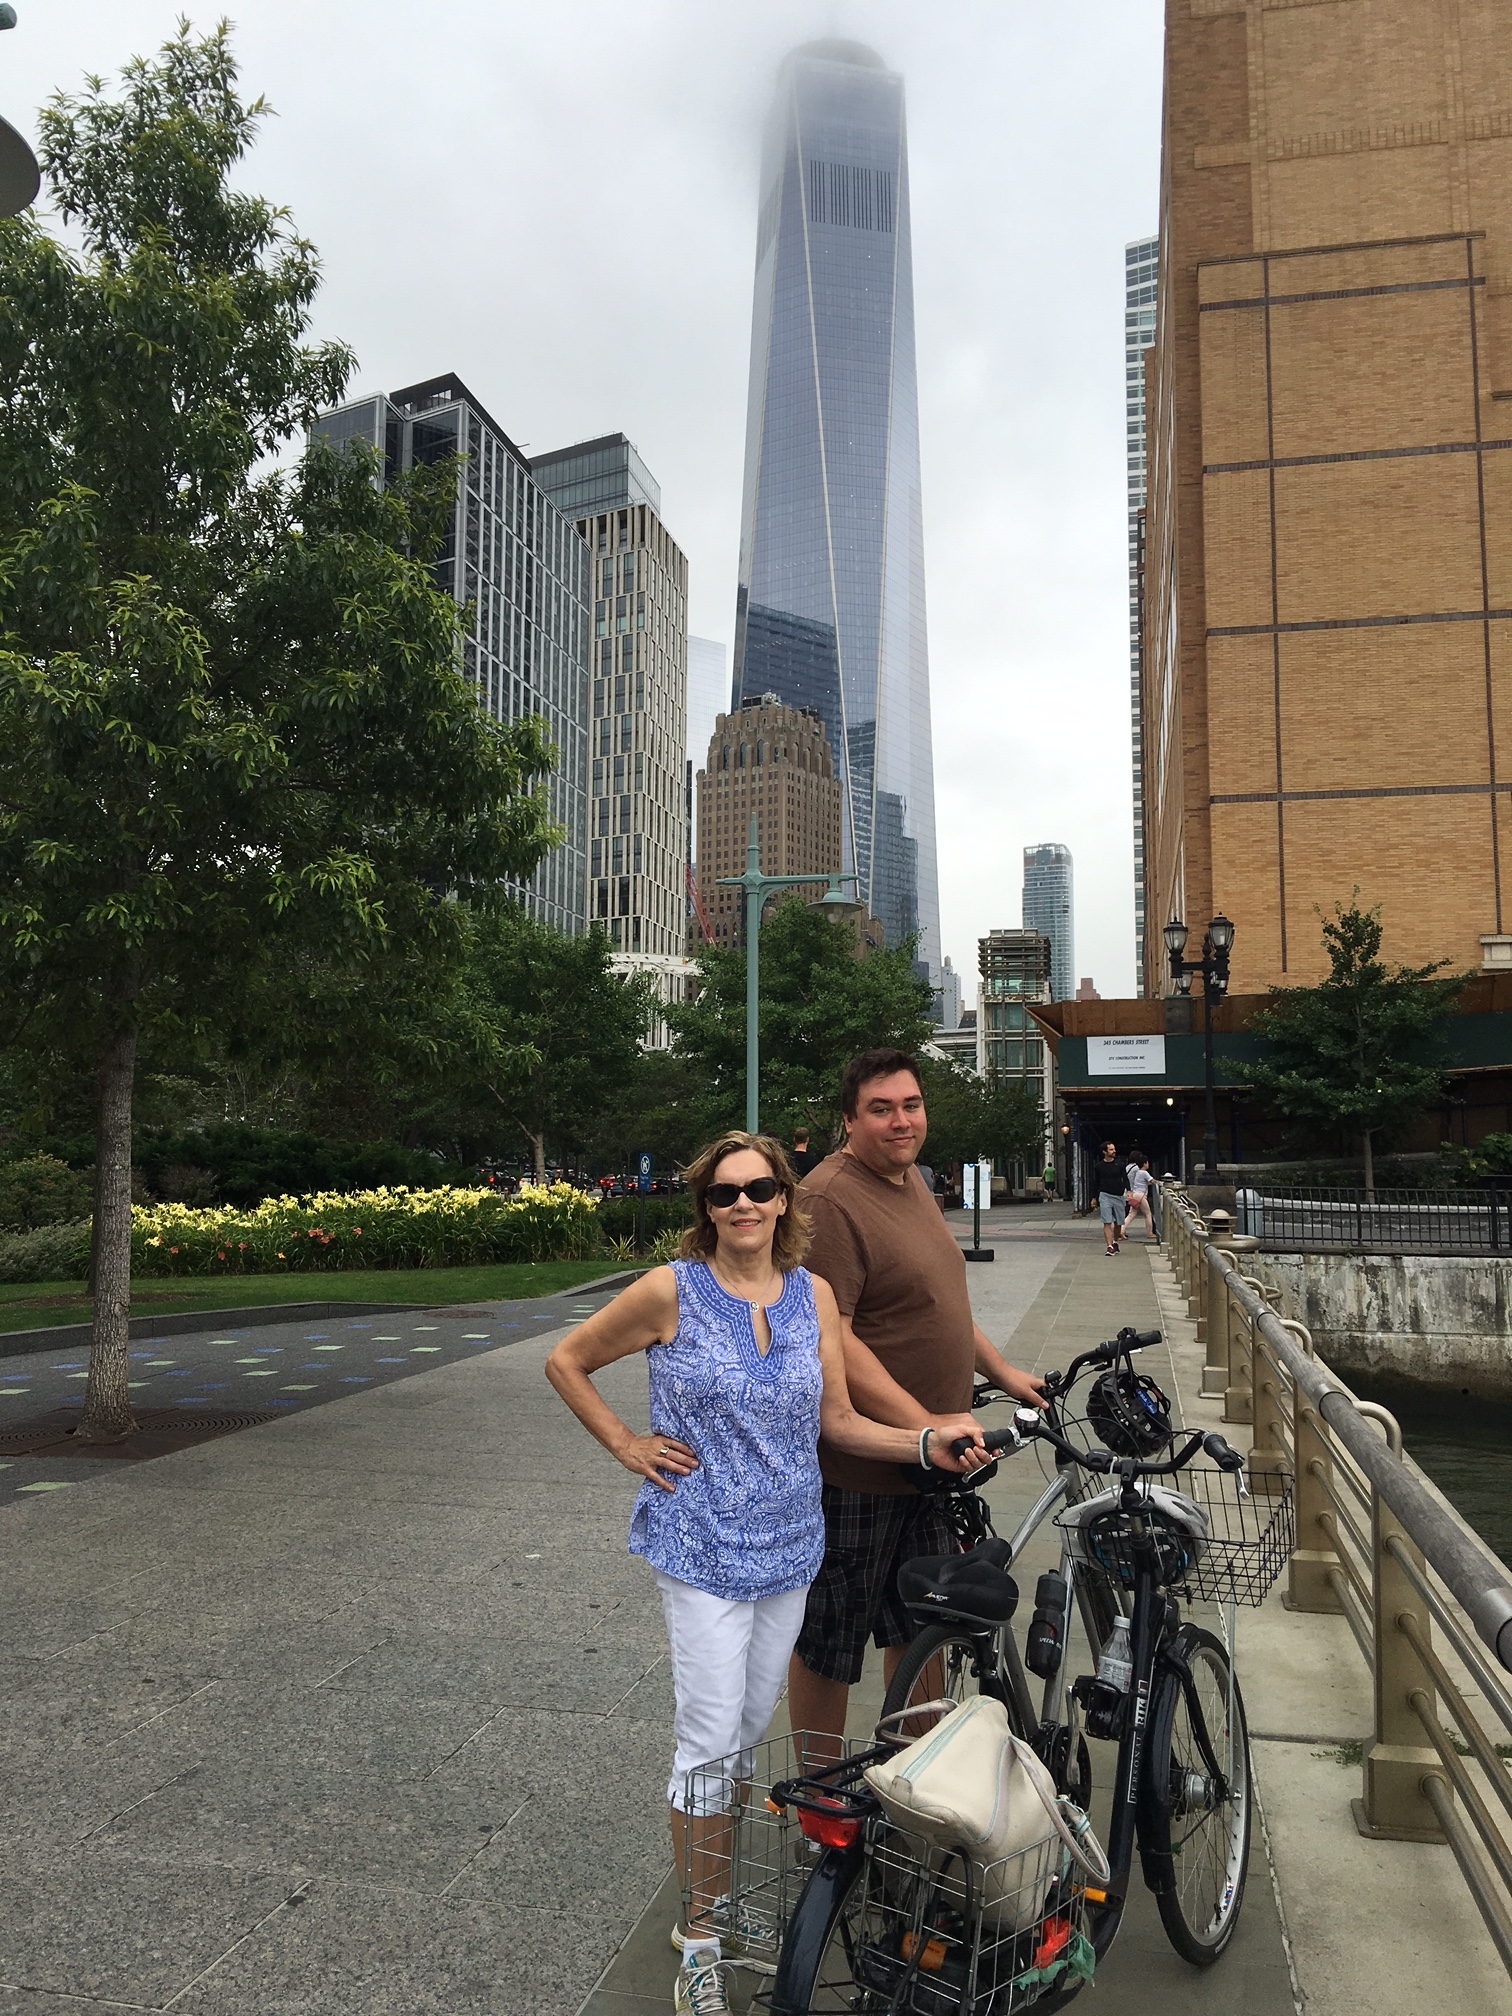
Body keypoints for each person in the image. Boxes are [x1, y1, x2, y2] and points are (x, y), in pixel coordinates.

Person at [545, 1128, 988, 2016]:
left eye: (757, 1189)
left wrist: (925, 1441)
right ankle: (702, 1937)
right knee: (708, 1742)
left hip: (792, 1548)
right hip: (701, 1546)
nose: (741, 1204)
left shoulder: (813, 1297)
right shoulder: (670, 1291)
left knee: (749, 1734)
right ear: (703, 1208)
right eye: (722, 1193)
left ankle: (719, 1894)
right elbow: (567, 1361)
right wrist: (627, 1444)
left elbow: (837, 1420)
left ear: (785, 1199)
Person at [788, 1049, 1048, 1760]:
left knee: (920, 1627)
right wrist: (921, 1425)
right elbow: (831, 1333)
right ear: (849, 1120)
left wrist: (1002, 1370)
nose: (901, 1120)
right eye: (881, 1108)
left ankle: (913, 1777)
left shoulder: (912, 1184)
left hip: (931, 1463)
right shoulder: (830, 1198)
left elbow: (939, 1304)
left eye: (911, 1104)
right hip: (861, 1465)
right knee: (830, 1640)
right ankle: (821, 1805)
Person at [1093, 1139, 1128, 1255]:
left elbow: (1125, 1178)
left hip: (1118, 1195)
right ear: (1104, 1152)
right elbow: (1096, 1182)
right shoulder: (1099, 1167)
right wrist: (1094, 1197)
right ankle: (1109, 1246)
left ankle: (1115, 1241)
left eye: (1114, 1149)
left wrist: (1129, 1191)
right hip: (1105, 1195)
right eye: (1111, 1149)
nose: (1114, 1151)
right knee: (1107, 1221)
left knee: (1118, 1222)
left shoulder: (1120, 1164)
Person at [1125, 1150, 1155, 1240]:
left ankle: (1121, 1229)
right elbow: (1152, 1181)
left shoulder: (1132, 1170)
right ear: (1145, 1163)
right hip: (1141, 1195)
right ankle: (1149, 1233)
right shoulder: (1142, 1172)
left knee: (1131, 1214)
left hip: (1133, 1194)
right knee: (1148, 1214)